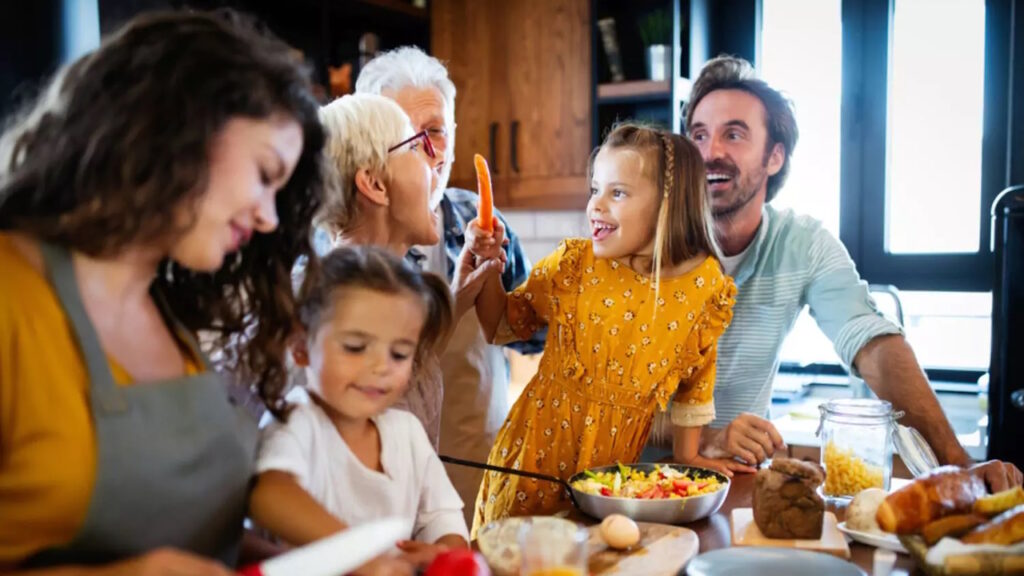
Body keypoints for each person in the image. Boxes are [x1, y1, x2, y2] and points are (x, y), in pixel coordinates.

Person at [0, 10, 325, 574]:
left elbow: (192, 541)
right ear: (177, 130)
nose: (270, 217)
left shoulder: (170, 314)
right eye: (265, 173)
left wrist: (335, 562)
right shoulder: (13, 295)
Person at [676, 55, 1022, 491]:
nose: (711, 152)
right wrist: (706, 438)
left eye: (734, 134)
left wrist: (957, 463)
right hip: (638, 487)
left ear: (774, 157)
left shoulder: (801, 243)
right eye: (699, 134)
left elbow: (871, 341)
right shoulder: (652, 244)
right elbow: (609, 398)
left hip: (735, 492)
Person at [461, 123, 741, 534]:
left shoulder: (704, 288)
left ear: (667, 204)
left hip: (610, 491)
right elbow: (501, 325)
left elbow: (695, 385)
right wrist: (488, 267)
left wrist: (689, 458)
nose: (596, 205)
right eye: (595, 189)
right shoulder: (576, 265)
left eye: (618, 192)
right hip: (527, 473)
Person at [354, 46, 543, 523]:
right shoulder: (344, 251)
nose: (429, 154)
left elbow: (531, 334)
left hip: (474, 481)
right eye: (407, 136)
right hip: (377, 488)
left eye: (436, 131)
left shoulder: (477, 221)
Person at [250, 246, 469, 571]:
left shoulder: (407, 433)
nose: (381, 366)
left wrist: (440, 555)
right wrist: (361, 555)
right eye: (355, 347)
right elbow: (268, 495)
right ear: (299, 346)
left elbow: (446, 525)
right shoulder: (296, 419)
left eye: (399, 354)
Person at [310, 92, 499, 450]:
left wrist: (459, 295)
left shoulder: (379, 294)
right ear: (376, 184)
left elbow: (409, 365)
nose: (437, 157)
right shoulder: (331, 312)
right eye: (417, 147)